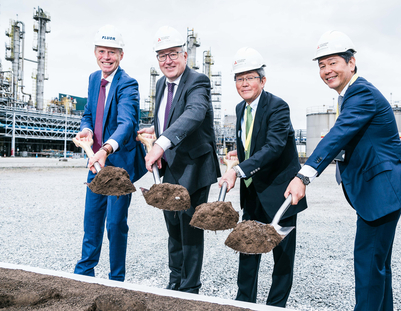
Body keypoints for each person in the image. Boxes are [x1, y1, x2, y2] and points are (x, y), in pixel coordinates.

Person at [285, 30, 401, 311]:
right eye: (321, 65)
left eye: (333, 62)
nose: (327, 70)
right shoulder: (348, 95)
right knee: (378, 266)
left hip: (382, 192)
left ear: (351, 62)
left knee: (368, 267)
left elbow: (338, 134)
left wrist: (303, 175)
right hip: (380, 190)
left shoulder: (361, 93)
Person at [219, 47, 307, 308]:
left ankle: (275, 306)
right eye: (239, 78)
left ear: (263, 80)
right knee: (247, 249)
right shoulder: (239, 108)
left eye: (250, 77)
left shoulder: (278, 107)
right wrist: (239, 157)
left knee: (282, 257)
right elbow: (252, 144)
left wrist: (238, 170)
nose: (244, 83)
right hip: (253, 193)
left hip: (282, 192)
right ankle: (244, 303)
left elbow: (274, 146)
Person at [138, 26, 220, 294]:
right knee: (173, 226)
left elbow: (194, 113)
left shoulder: (198, 81)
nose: (168, 61)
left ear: (185, 55)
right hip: (170, 167)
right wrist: (156, 131)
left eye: (173, 54)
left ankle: (189, 287)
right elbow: (168, 116)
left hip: (194, 167)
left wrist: (161, 144)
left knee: (190, 228)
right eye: (162, 56)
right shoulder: (162, 83)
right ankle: (175, 279)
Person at [74, 25, 147, 281]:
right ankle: (84, 273)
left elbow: (127, 124)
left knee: (115, 225)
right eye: (102, 51)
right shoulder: (94, 79)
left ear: (121, 55)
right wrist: (86, 131)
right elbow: (88, 114)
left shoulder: (128, 84)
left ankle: (116, 279)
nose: (106, 57)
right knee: (91, 221)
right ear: (95, 52)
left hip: (117, 165)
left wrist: (105, 148)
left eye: (112, 52)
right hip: (96, 164)